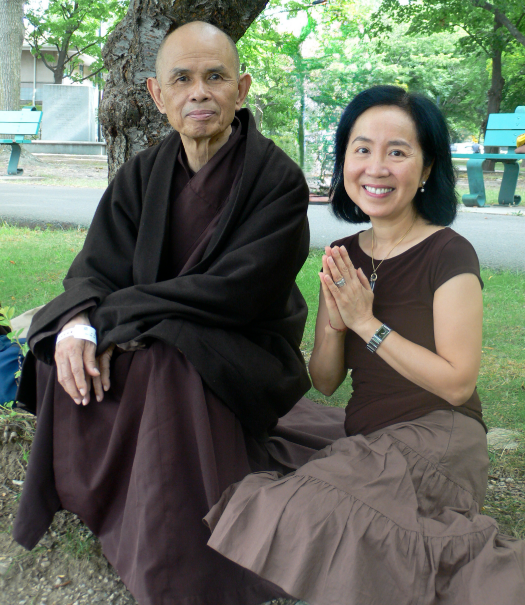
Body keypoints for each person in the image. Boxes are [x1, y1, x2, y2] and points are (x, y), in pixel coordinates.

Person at [12, 21, 346, 605]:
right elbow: (95, 266)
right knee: (64, 349)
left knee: (167, 357)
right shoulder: (141, 173)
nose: (200, 92)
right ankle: (102, 500)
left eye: (216, 77)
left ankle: (179, 560)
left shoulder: (278, 181)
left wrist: (115, 320)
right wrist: (79, 322)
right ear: (156, 94)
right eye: (183, 79)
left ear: (240, 89)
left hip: (243, 346)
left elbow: (233, 293)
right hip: (160, 332)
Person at [205, 85, 525, 605]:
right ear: (344, 161)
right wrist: (335, 323)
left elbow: (458, 380)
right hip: (369, 440)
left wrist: (368, 324)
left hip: (439, 435)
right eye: (362, 149)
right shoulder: (344, 252)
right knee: (294, 503)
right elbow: (327, 381)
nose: (376, 167)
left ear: (425, 171)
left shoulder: (449, 253)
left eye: (397, 152)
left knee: (308, 511)